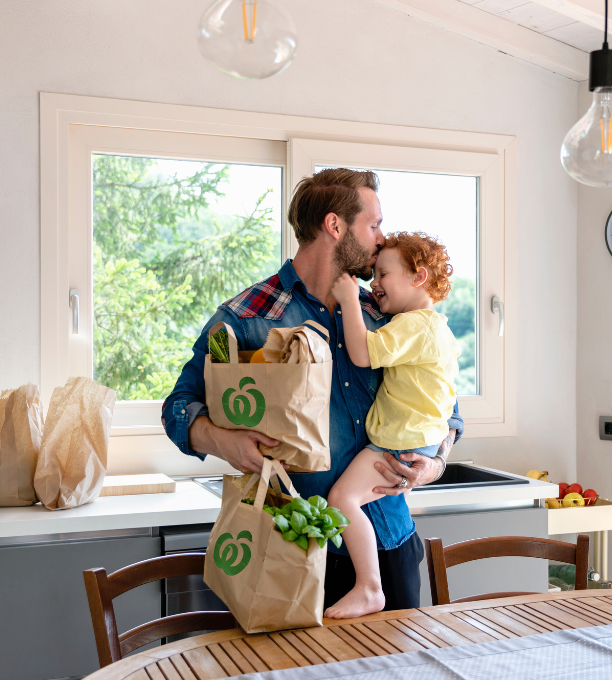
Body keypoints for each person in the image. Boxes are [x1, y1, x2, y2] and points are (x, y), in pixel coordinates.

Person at [161, 168, 464, 612]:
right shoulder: (248, 317)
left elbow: (447, 409)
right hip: (297, 551)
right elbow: (178, 408)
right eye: (373, 225)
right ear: (335, 226)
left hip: (391, 542)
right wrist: (226, 441)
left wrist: (435, 464)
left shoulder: (384, 314)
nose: (381, 239)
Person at [325, 233, 460, 618]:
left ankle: (369, 587)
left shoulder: (415, 325)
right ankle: (369, 586)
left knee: (342, 500)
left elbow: (363, 353)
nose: (373, 282)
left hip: (399, 442)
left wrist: (350, 300)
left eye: (383, 273)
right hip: (419, 440)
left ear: (418, 278)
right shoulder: (435, 327)